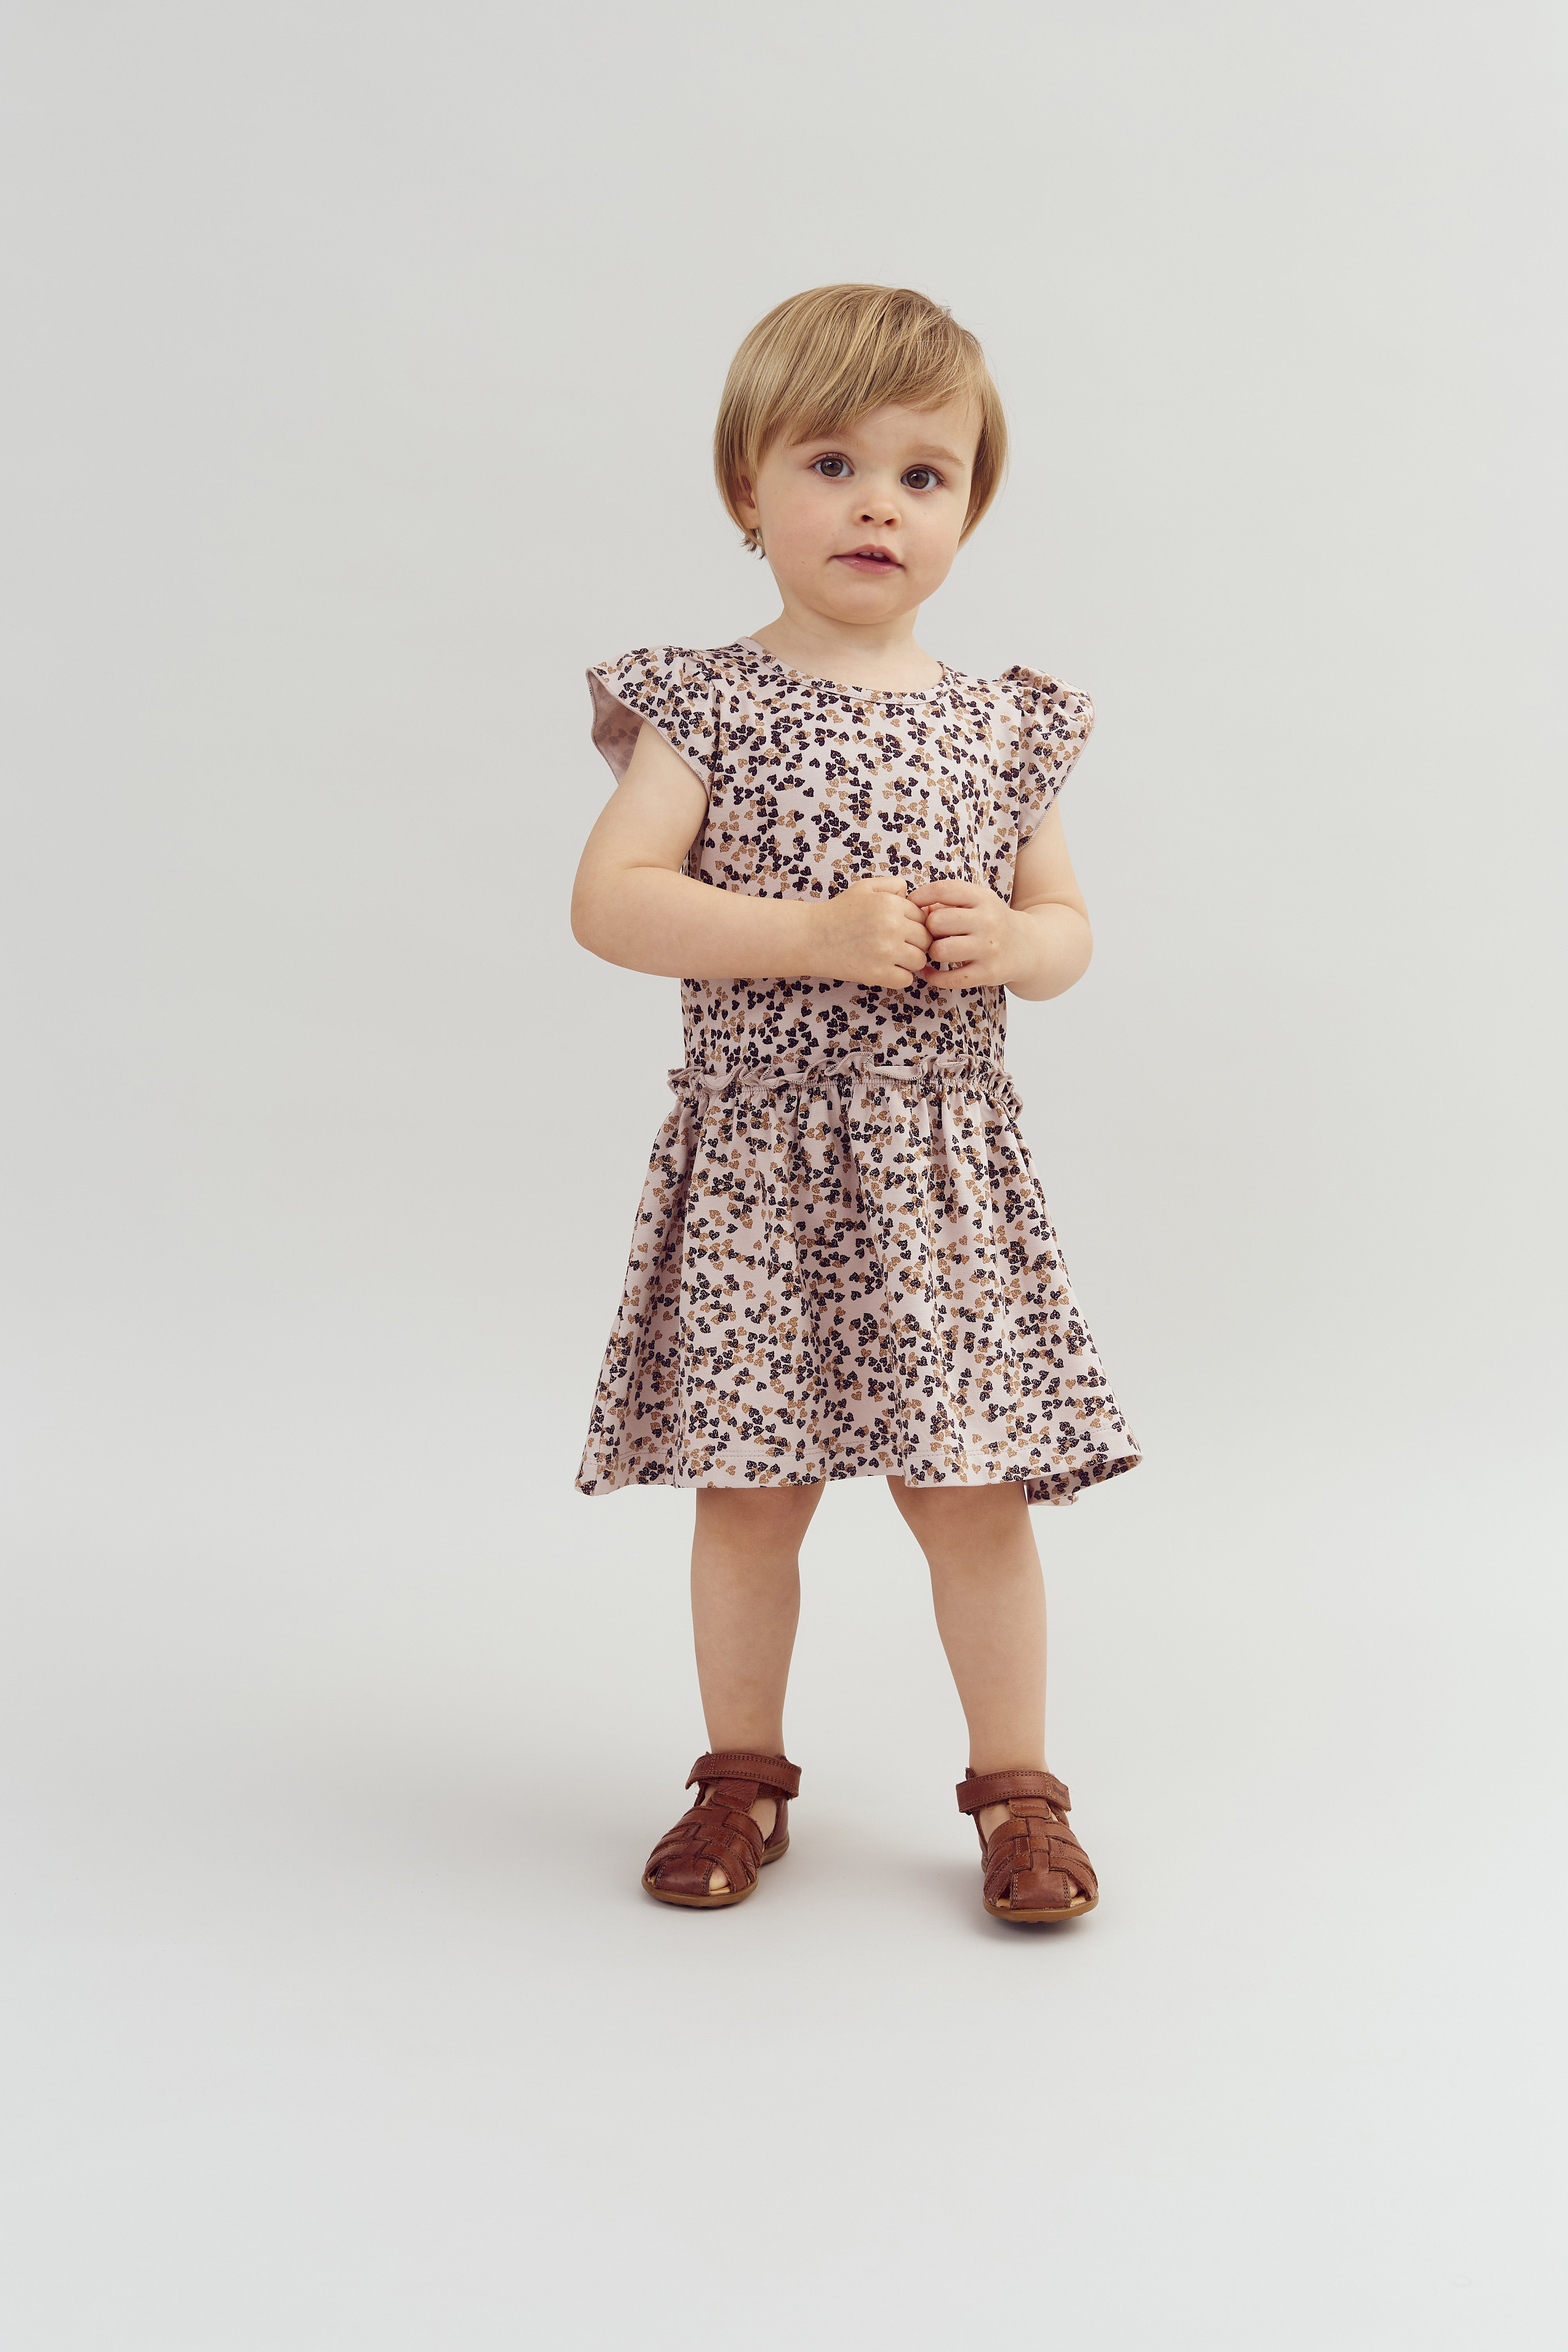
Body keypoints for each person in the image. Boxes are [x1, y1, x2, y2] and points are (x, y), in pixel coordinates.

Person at [569, 283, 1141, 1926]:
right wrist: (806, 937)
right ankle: (739, 1775)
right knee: (752, 1495)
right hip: (762, 1169)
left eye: (923, 474)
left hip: (938, 1180)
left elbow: (1072, 934)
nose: (876, 504)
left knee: (973, 1495)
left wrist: (1012, 946)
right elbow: (613, 903)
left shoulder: (1000, 723)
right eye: (828, 463)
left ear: (967, 510)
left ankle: (1017, 1793)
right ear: (747, 491)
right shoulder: (707, 704)